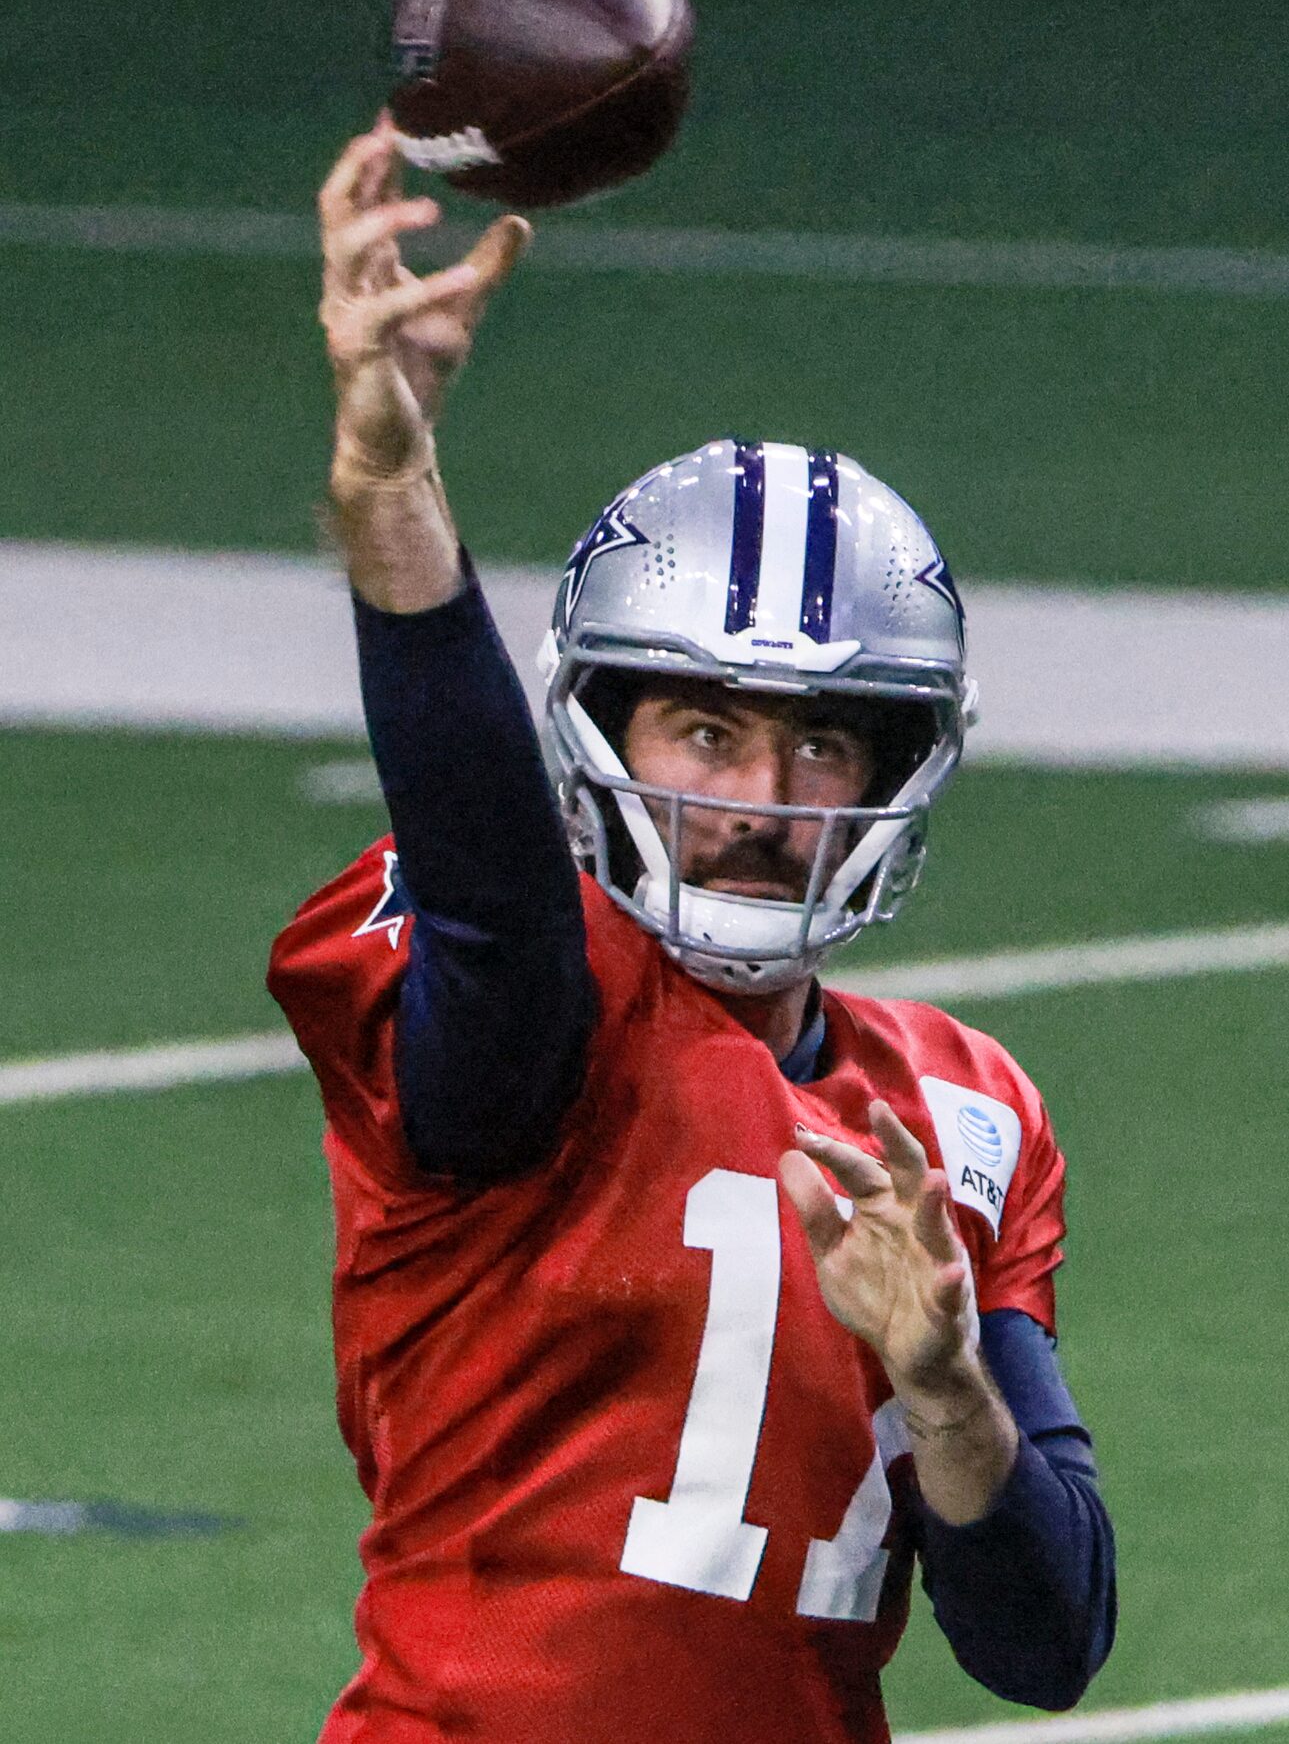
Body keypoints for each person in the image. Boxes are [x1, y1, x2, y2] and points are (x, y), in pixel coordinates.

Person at [268, 119, 1116, 1744]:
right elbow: (495, 907)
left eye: (821, 745)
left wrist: (947, 1391)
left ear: (891, 773)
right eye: (703, 733)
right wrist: (390, 494)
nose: (763, 798)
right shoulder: (542, 1005)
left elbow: (1044, 1643)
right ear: (602, 734)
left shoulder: (958, 1117)